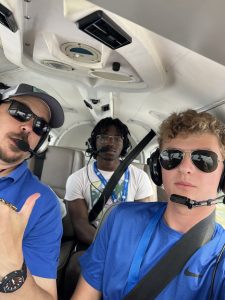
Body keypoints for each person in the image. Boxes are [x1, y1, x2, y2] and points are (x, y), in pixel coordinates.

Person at [71, 109, 225, 300]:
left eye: (204, 159)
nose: (185, 168)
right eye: (172, 157)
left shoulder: (221, 257)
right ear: (158, 168)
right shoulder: (120, 220)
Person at [63, 117, 154, 298]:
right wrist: (110, 250)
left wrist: (125, 251)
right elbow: (81, 226)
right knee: (76, 267)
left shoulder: (140, 177)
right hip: (91, 242)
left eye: (117, 138)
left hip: (130, 244)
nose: (111, 142)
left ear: (124, 144)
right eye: (104, 137)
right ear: (94, 142)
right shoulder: (77, 178)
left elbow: (146, 223)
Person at [0, 83, 64, 299]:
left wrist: (10, 268)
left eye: (40, 127)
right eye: (20, 112)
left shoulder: (42, 203)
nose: (28, 127)